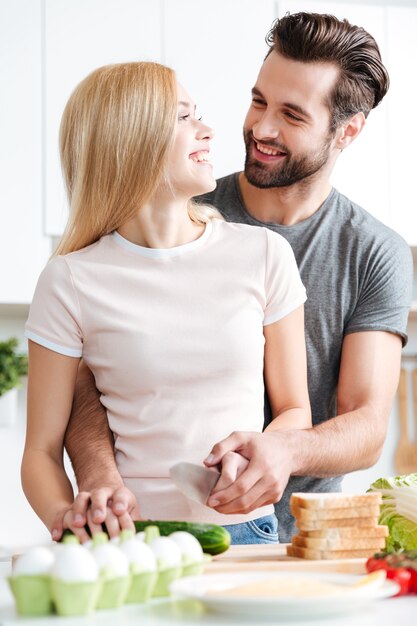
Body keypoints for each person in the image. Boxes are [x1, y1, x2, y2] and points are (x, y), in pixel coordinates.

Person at [54, 11, 413, 544]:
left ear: (348, 131)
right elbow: (87, 371)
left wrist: (286, 448)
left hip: (298, 537)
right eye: (259, 100)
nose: (261, 128)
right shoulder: (173, 201)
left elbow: (364, 422)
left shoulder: (372, 250)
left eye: (292, 115)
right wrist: (99, 475)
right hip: (156, 530)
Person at [22, 61, 312, 545]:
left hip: (244, 530)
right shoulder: (69, 281)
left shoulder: (263, 255)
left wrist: (267, 450)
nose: (207, 130)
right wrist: (71, 517)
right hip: (131, 540)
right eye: (183, 118)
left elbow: (294, 410)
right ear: (130, 140)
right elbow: (41, 453)